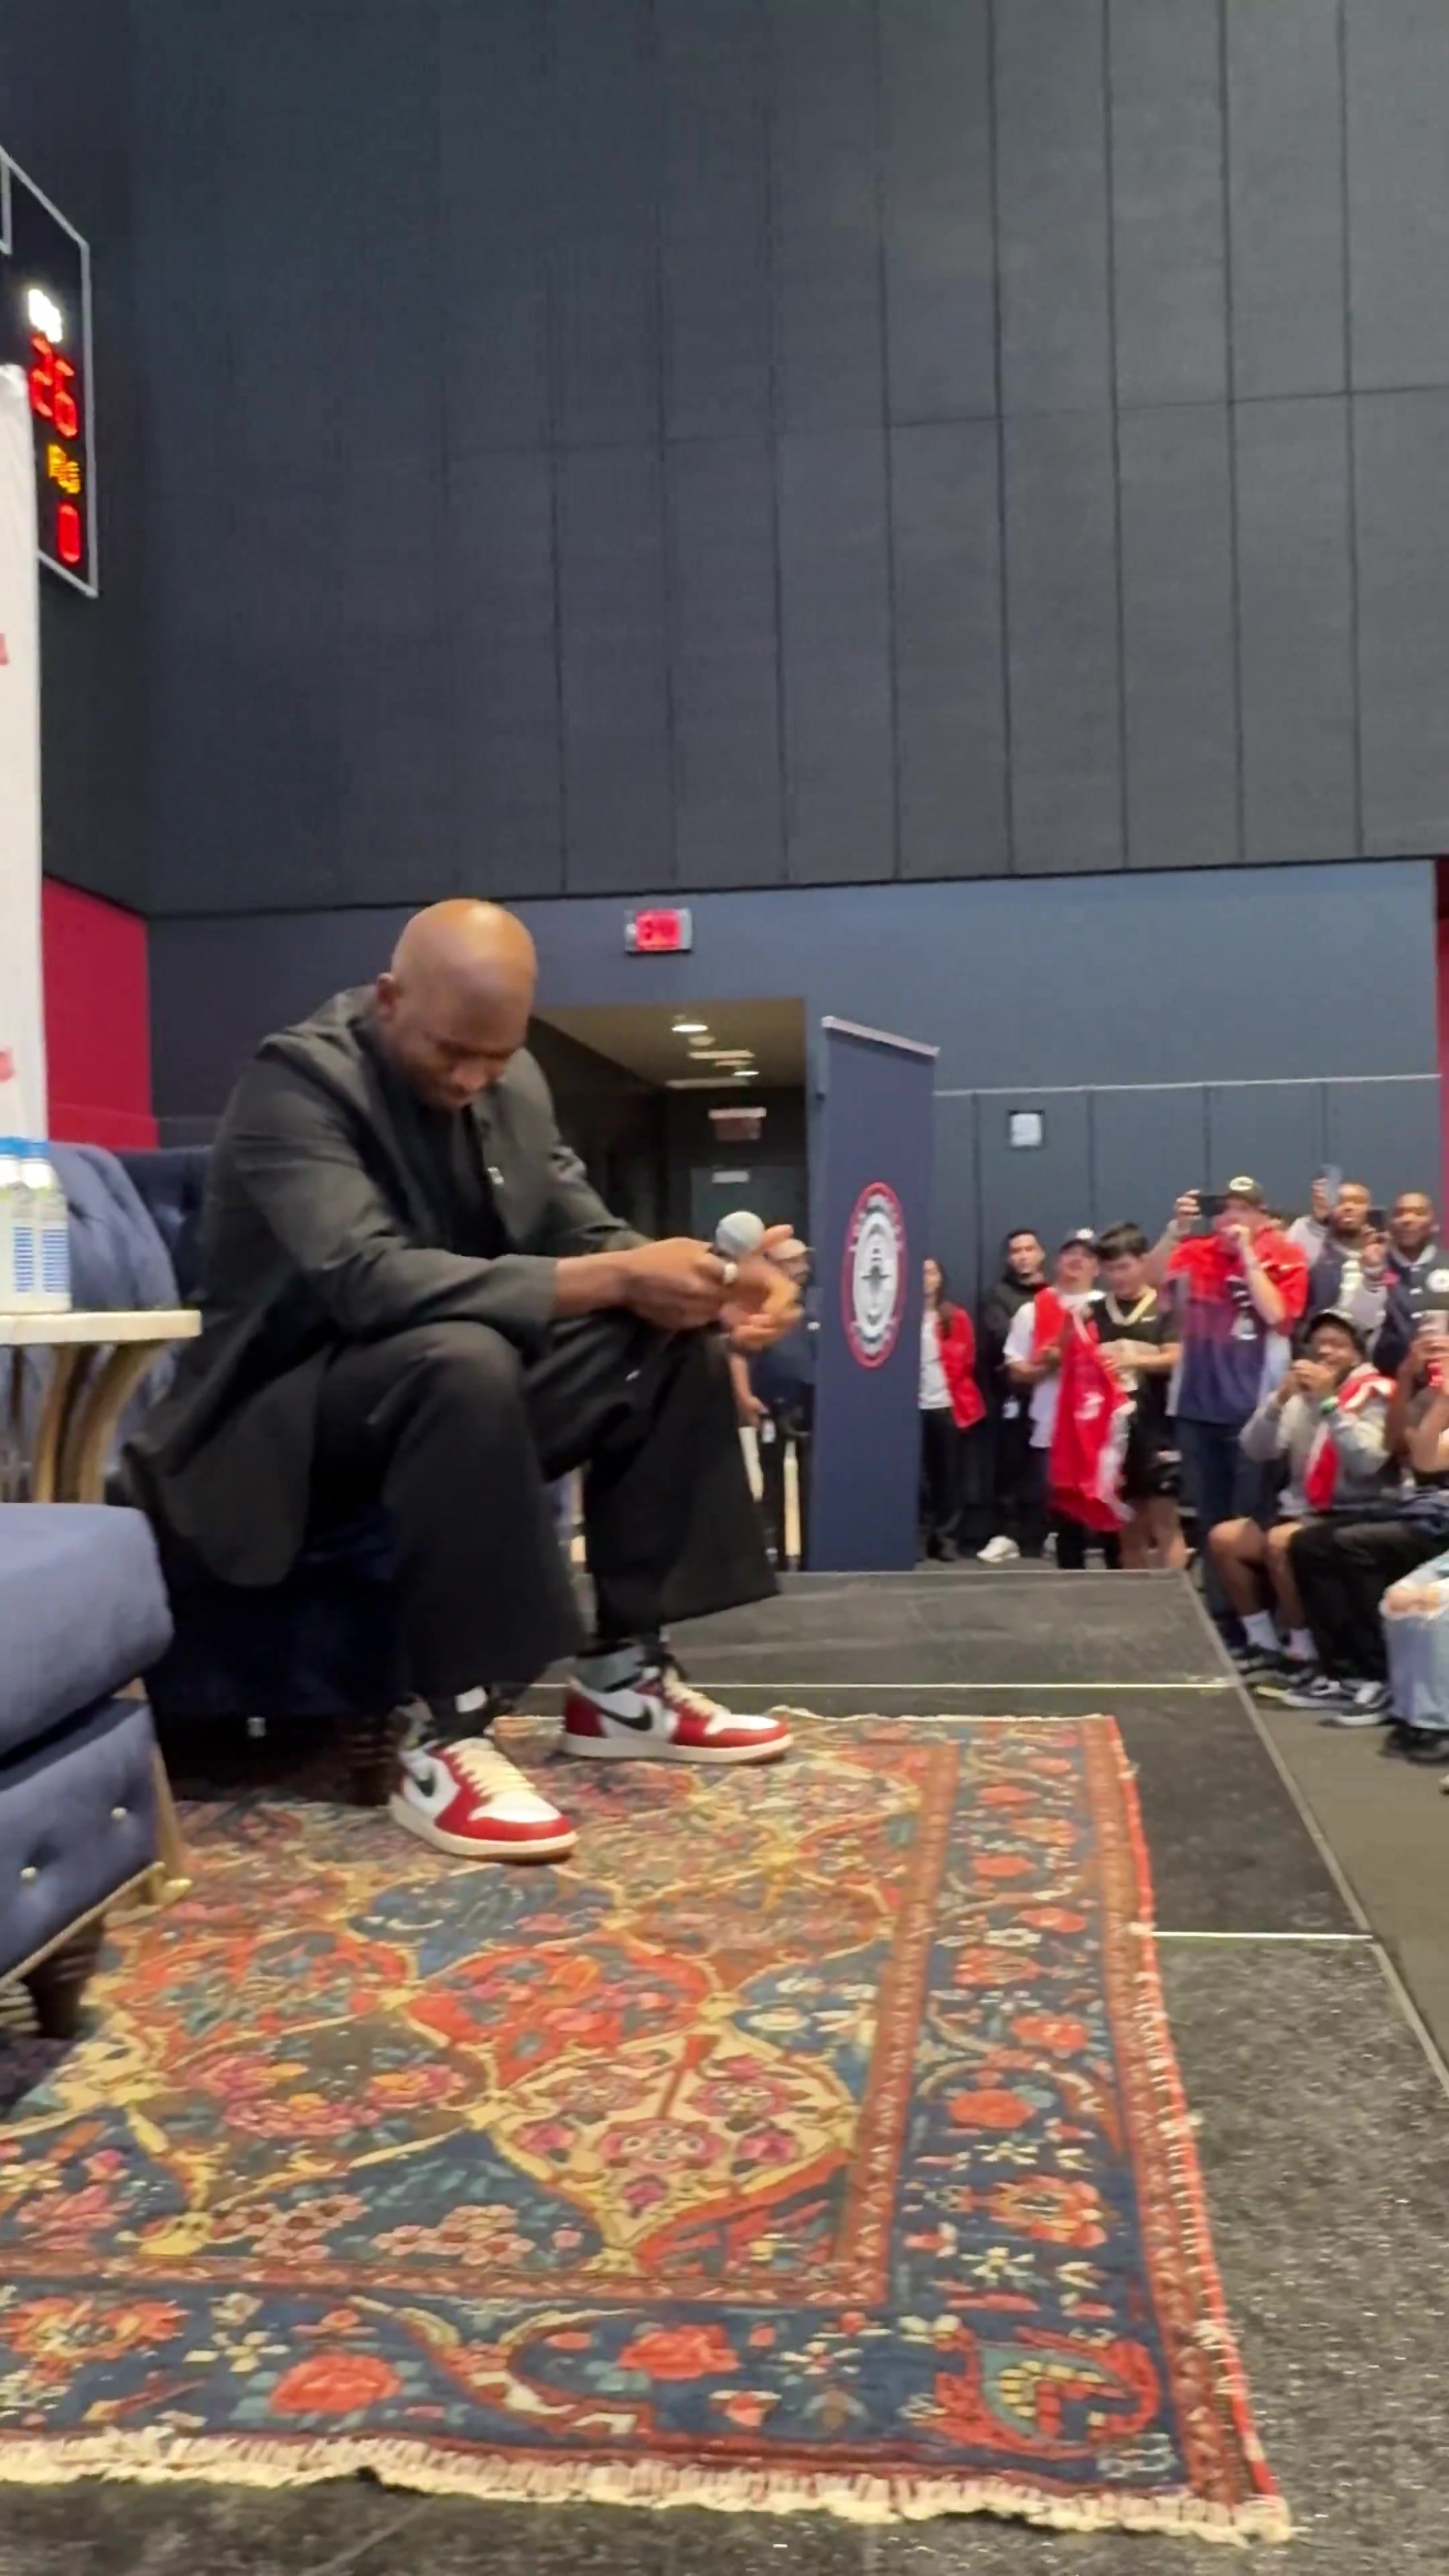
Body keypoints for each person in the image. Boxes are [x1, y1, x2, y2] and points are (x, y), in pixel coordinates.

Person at [127, 900, 803, 1866]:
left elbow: (586, 1230)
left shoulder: (511, 1079)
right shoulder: (296, 1083)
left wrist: (708, 1282)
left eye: (495, 1057)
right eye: (452, 1052)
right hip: (271, 1426)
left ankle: (623, 1680)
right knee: (460, 1357)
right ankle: (447, 1731)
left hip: (438, 1399)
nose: (472, 1078)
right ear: (389, 998)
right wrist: (618, 1276)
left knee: (666, 1341)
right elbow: (369, 1280)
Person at [1144, 1178, 1309, 1631]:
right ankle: (1225, 1618)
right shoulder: (1195, 1251)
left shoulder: (1286, 1254)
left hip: (1255, 1410)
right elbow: (1150, 1282)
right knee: (1209, 1518)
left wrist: (1248, 1256)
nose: (1232, 1217)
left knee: (1251, 1518)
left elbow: (1278, 1315)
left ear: (1261, 1216)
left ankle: (1267, 1618)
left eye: (1243, 1209)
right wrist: (1175, 1231)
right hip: (1197, 1406)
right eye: (1225, 1209)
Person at [1210, 1311, 1395, 1697]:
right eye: (1319, 1343)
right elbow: (1255, 1449)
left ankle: (1304, 1652)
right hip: (1299, 1509)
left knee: (1281, 1542)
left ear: (1357, 1353)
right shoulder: (1298, 1394)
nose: (1326, 1351)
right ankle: (1264, 1644)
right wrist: (1278, 1402)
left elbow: (1366, 1462)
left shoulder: (1376, 1393)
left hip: (1355, 1510)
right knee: (1225, 1539)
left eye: (1338, 1344)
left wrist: (1330, 1403)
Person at [1285, 1318, 1449, 1731]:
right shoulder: (1424, 1392)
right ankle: (1346, 1675)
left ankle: (1379, 1676)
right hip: (1423, 1507)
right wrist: (1411, 1378)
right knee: (1307, 1544)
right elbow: (1407, 1450)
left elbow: (1378, 1461)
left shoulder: (1373, 1391)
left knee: (1354, 1544)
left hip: (1431, 1516)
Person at [1083, 1225, 1185, 1570]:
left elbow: (1176, 1357)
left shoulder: (1165, 1308)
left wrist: (1134, 1360)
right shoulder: (1093, 1311)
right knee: (1127, 1525)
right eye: (1110, 1269)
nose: (1118, 1276)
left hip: (1156, 1425)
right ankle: (1137, 1595)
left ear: (1143, 1262)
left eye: (1125, 1267)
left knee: (1164, 1521)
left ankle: (1175, 1596)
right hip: (1111, 1430)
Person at [1003, 1230, 1100, 1567]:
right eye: (1071, 1252)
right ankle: (1072, 1578)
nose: (1077, 1260)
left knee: (1111, 1512)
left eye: (1087, 1255)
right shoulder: (1032, 1309)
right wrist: (1049, 1366)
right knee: (1064, 1512)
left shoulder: (1108, 1305)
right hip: (1054, 1424)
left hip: (1102, 1423)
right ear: (1057, 1260)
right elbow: (1016, 1369)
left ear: (1098, 1266)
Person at [979, 1230, 1049, 1562]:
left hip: (1054, 1395)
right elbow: (1004, 1339)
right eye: (1016, 1251)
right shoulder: (998, 1296)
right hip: (1013, 1396)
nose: (1023, 1256)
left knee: (1050, 1469)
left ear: (1041, 1254)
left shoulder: (1054, 1294)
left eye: (1029, 1249)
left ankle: (1047, 1535)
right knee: (1011, 1466)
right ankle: (1008, 1535)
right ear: (1009, 1258)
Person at [919, 1258, 985, 1561]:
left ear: (940, 1278)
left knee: (949, 1477)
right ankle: (919, 1536)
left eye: (931, 1272)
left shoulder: (954, 1317)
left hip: (947, 1405)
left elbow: (966, 1360)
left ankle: (945, 1537)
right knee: (918, 1479)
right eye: (920, 1272)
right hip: (911, 1409)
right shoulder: (900, 1319)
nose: (925, 1278)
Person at [1307, 1182, 1392, 1345]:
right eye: (1340, 1202)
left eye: (1358, 1202)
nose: (1348, 1207)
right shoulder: (1315, 1252)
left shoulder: (1387, 1257)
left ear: (1370, 1209)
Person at [1375, 1193, 1449, 1375]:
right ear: (1389, 1225)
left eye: (1419, 1213)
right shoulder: (1373, 1266)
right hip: (1387, 1376)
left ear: (1434, 1225)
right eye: (1399, 1214)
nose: (1407, 1219)